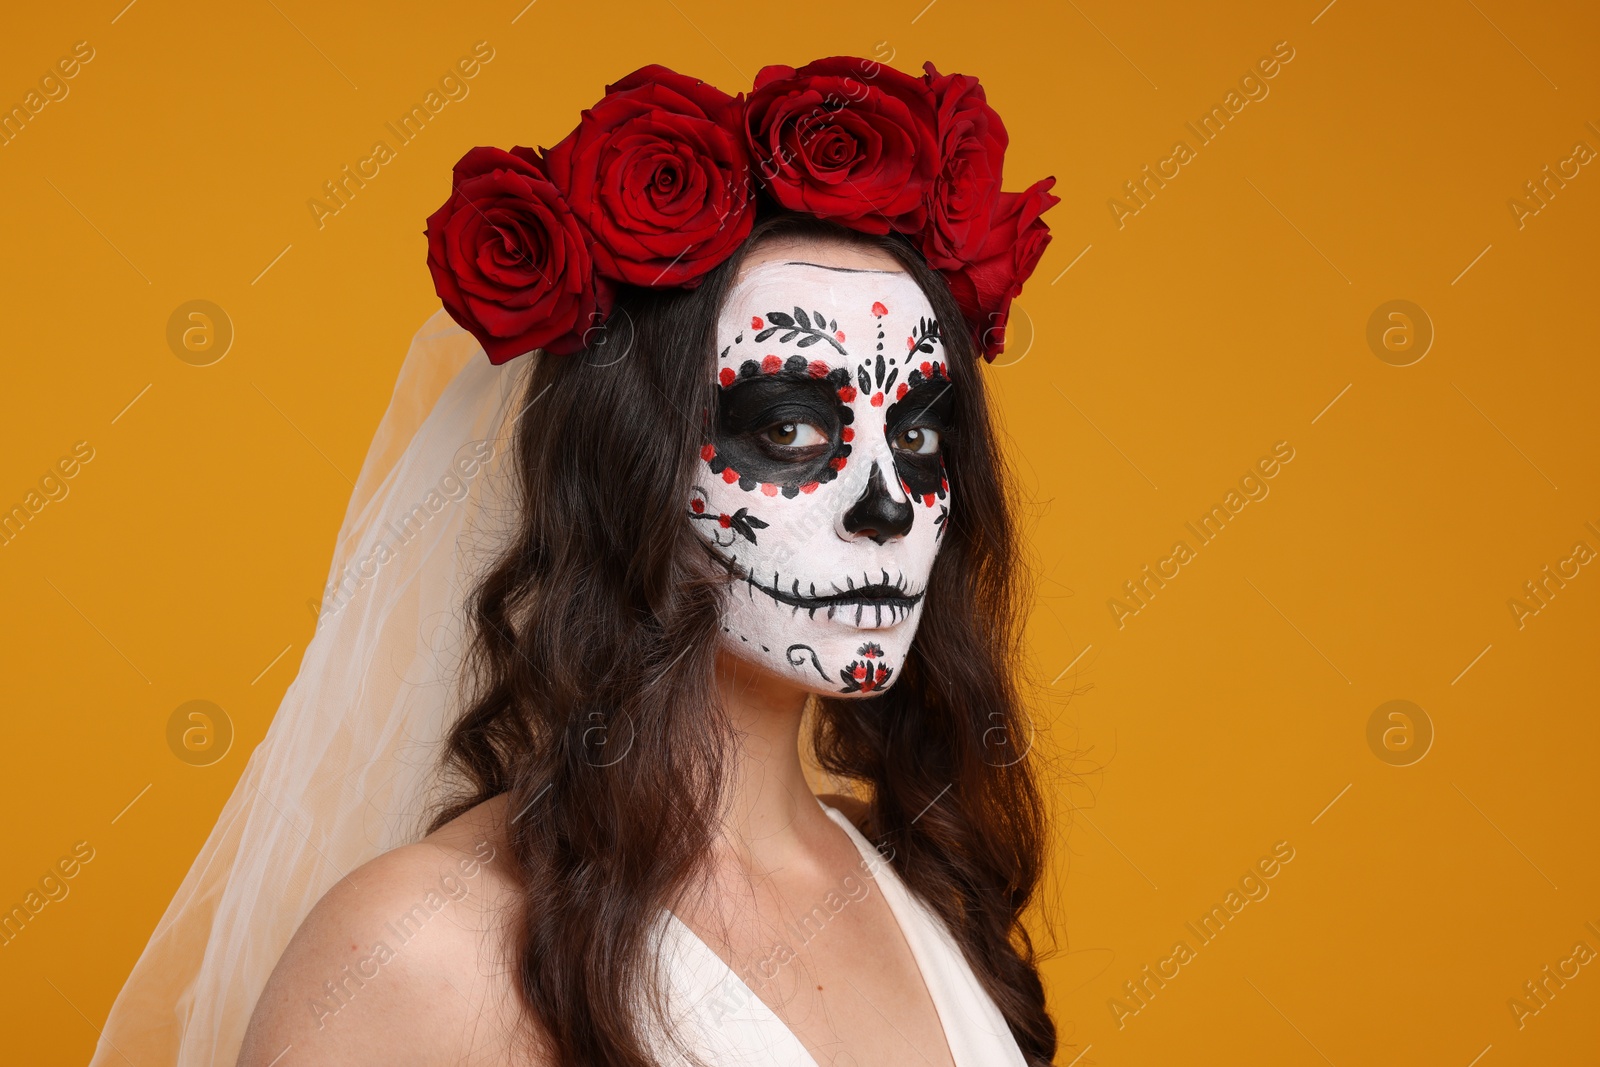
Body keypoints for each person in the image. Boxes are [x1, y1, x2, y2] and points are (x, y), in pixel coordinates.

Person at [92, 56, 1060, 1067]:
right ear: (626, 466)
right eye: (786, 429)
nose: (887, 506)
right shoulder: (420, 950)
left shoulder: (927, 885)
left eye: (917, 435)